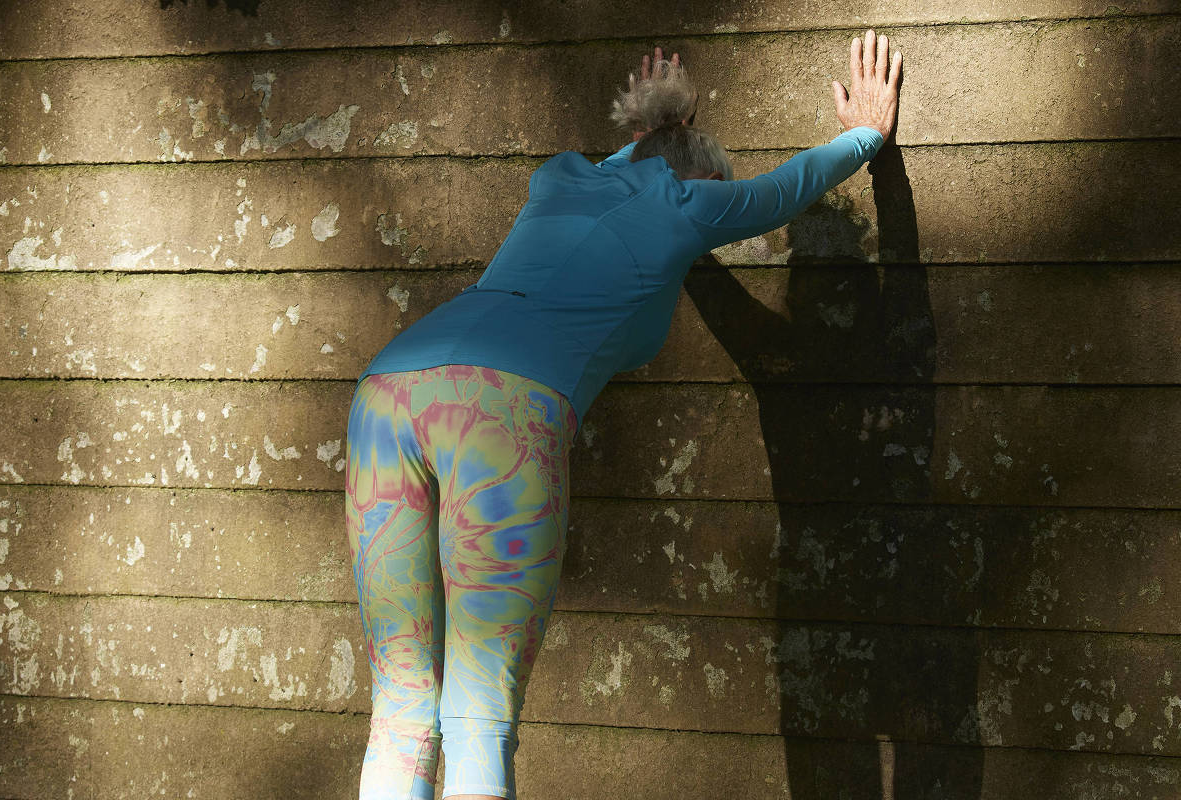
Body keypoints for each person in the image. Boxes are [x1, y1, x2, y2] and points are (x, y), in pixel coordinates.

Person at [344, 30, 902, 800]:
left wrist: (656, 130)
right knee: (479, 716)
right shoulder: (688, 201)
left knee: (403, 708)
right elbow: (786, 186)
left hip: (387, 394)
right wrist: (866, 133)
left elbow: (638, 167)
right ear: (700, 175)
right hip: (496, 412)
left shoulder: (563, 178)